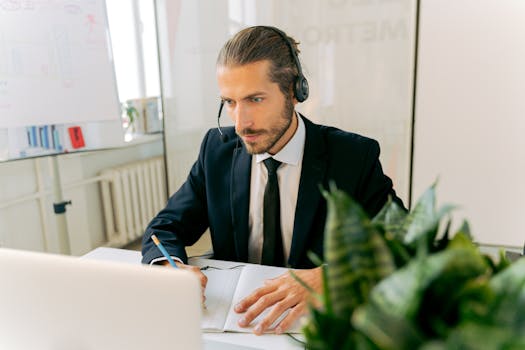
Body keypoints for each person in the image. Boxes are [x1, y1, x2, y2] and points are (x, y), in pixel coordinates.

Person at [141, 25, 404, 335]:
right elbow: (165, 227)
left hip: (314, 326)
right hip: (238, 324)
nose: (240, 123)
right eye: (230, 102)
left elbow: (403, 240)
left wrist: (333, 277)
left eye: (255, 99)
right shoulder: (217, 151)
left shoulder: (353, 157)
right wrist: (166, 267)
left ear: (294, 92)